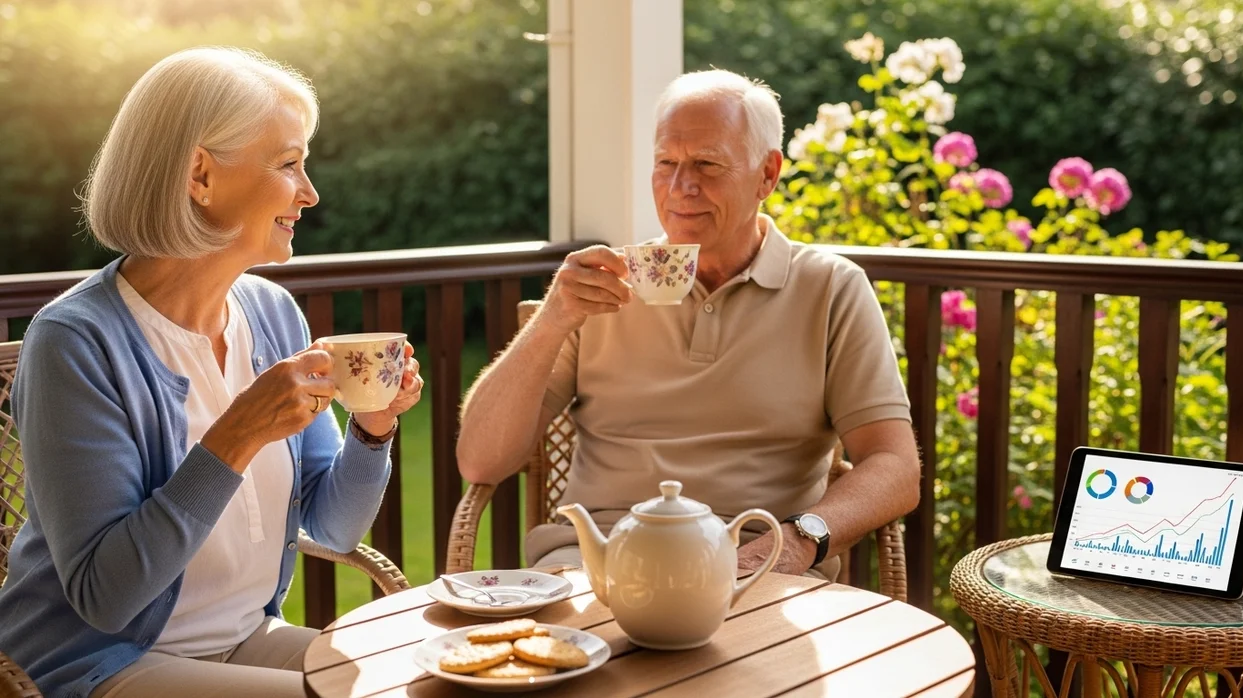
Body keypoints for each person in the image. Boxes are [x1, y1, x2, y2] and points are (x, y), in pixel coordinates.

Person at [0, 47, 424, 698]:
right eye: (289, 165)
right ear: (201, 175)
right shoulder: (76, 343)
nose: (310, 194)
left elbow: (333, 528)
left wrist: (371, 430)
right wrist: (235, 437)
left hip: (242, 639)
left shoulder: (273, 314)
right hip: (94, 663)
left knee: (423, 677)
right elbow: (105, 597)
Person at [455, 69, 921, 581]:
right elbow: (480, 462)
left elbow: (894, 466)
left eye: (707, 164)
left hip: (754, 566)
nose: (681, 187)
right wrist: (552, 320)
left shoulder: (831, 288)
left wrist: (796, 540)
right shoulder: (603, 286)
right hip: (596, 561)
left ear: (768, 174)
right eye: (666, 163)